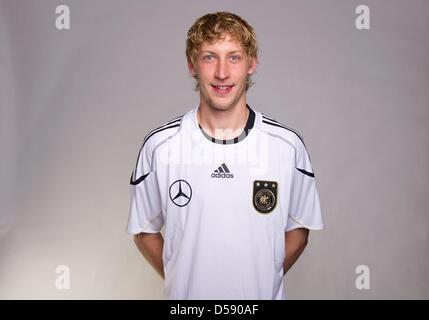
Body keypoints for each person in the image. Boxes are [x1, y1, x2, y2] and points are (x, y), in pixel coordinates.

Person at [127, 11, 324, 300]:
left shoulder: (287, 146)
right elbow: (144, 231)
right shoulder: (160, 146)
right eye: (209, 57)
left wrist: (263, 279)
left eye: (234, 57)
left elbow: (299, 229)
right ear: (192, 64)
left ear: (252, 63)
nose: (222, 73)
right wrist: (183, 279)